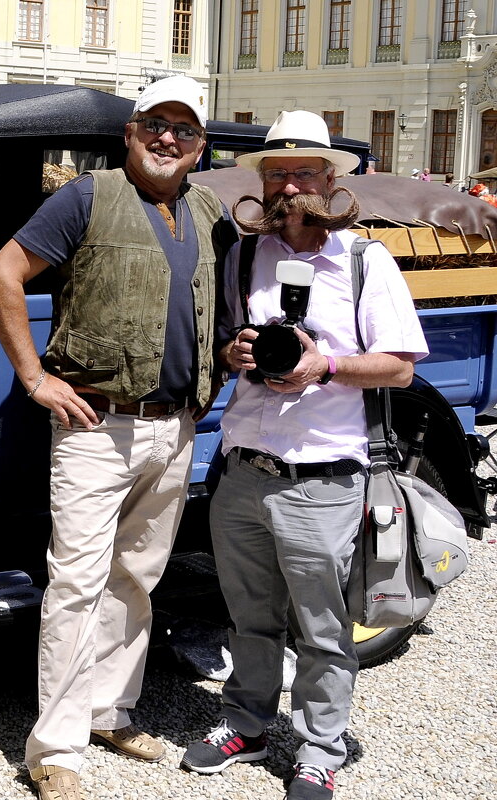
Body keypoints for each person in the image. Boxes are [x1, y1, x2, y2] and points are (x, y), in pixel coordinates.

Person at [0, 75, 234, 800]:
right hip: (99, 427)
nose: (168, 139)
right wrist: (35, 379)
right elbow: (4, 275)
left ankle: (110, 712)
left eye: (184, 130)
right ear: (130, 132)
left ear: (200, 146)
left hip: (175, 427)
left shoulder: (209, 209)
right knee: (77, 585)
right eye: (156, 123)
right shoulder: (87, 196)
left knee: (137, 581)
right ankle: (55, 748)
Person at [180, 110, 428, 800]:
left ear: (330, 180)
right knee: (249, 615)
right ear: (264, 184)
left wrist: (324, 367)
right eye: (279, 174)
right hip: (244, 468)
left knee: (321, 628)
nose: (291, 187)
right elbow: (232, 343)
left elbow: (401, 367)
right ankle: (249, 725)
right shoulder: (243, 256)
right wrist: (235, 353)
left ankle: (320, 747)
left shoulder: (363, 260)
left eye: (305, 172)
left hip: (322, 475)